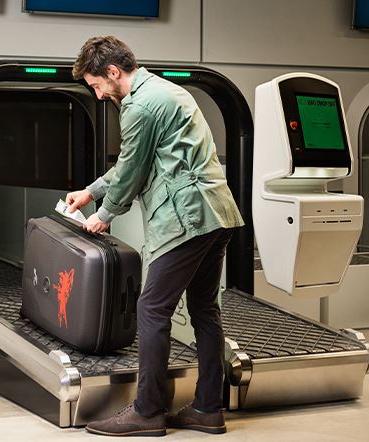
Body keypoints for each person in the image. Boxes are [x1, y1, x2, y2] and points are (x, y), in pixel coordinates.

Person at [66, 36, 244, 437]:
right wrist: (92, 191)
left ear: (113, 73)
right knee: (204, 310)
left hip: (186, 219)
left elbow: (131, 169)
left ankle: (147, 412)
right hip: (217, 214)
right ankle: (207, 408)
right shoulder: (166, 91)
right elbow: (141, 159)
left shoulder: (140, 106)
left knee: (151, 310)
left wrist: (104, 214)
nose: (96, 94)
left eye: (96, 85)